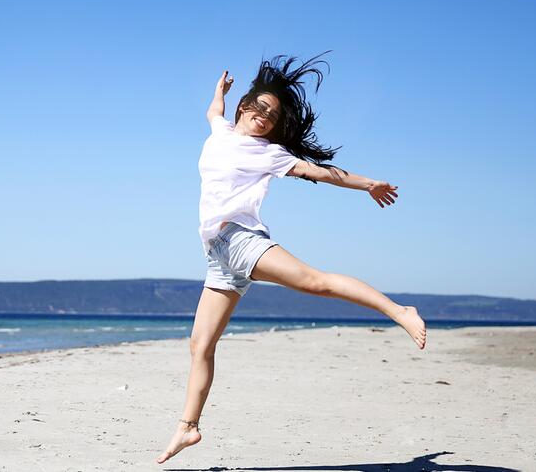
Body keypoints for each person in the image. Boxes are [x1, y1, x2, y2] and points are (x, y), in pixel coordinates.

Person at [156, 53, 427, 465]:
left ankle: (400, 310)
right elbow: (214, 111)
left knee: (314, 282)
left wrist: (368, 184)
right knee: (200, 345)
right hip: (217, 256)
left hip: (240, 241)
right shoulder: (220, 131)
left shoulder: (269, 154)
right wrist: (219, 93)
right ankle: (189, 427)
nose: (265, 117)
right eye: (260, 107)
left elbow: (320, 173)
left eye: (273, 115)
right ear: (245, 107)